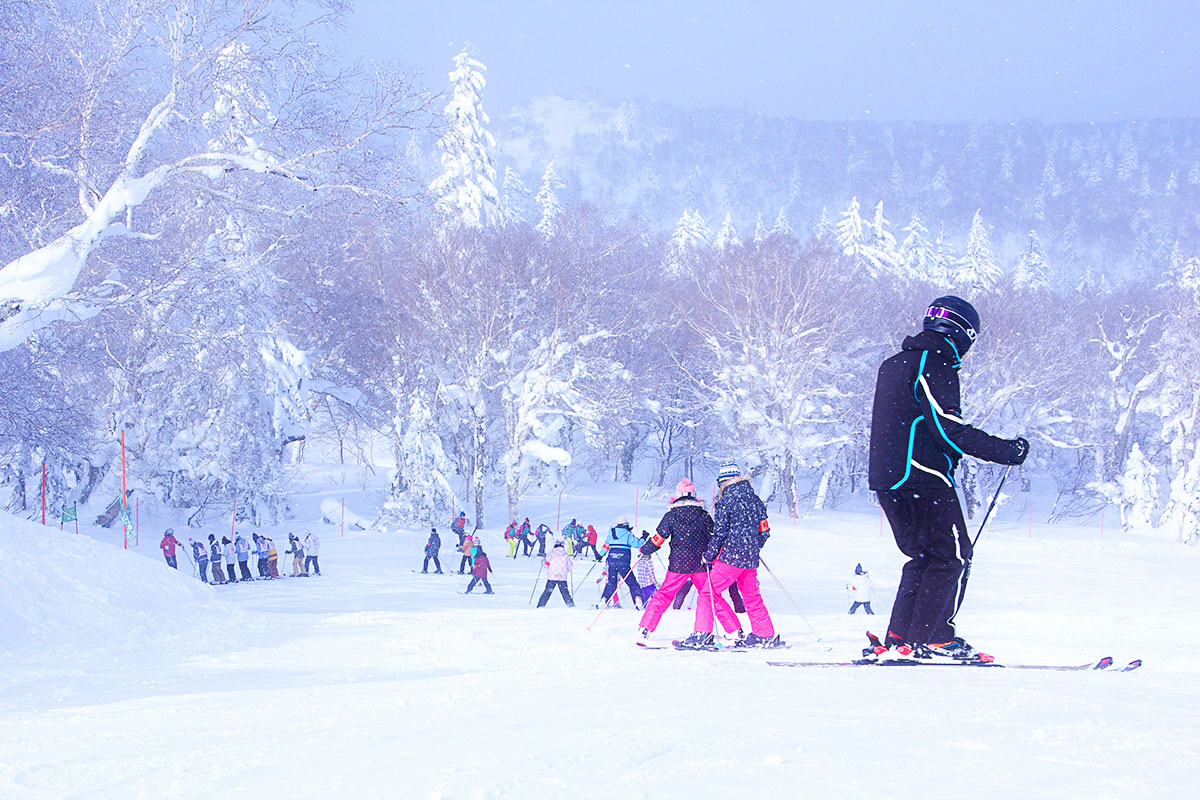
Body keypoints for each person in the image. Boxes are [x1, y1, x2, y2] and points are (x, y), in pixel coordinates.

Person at [867, 296, 1028, 662]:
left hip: (888, 480)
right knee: (951, 557)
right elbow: (945, 426)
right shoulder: (934, 363)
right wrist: (1005, 451)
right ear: (963, 334)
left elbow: (911, 423)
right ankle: (937, 638)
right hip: (923, 479)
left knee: (923, 557)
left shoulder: (894, 364)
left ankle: (902, 637)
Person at [680, 462, 781, 649]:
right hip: (750, 559)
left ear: (723, 482)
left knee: (708, 593)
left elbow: (719, 533)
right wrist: (752, 546)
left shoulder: (725, 501)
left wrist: (708, 555)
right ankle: (764, 634)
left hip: (731, 557)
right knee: (751, 596)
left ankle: (702, 634)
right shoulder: (756, 500)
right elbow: (765, 531)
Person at [635, 478, 728, 638]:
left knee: (663, 595)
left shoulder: (671, 516)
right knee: (711, 596)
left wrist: (646, 549)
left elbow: (659, 537)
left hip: (679, 564)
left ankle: (645, 628)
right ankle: (733, 630)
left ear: (676, 497)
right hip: (701, 563)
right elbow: (714, 537)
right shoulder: (703, 516)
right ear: (694, 496)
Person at [600, 517, 643, 610]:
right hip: (623, 560)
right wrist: (644, 537)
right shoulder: (628, 534)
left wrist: (600, 555)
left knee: (612, 583)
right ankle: (638, 601)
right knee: (632, 582)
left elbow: (606, 545)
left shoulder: (611, 533)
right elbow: (637, 544)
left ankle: (603, 601)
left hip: (611, 559)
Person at [536, 542, 575, 607]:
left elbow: (546, 565)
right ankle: (571, 606)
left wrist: (543, 562)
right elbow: (570, 566)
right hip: (562, 577)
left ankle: (540, 606)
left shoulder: (551, 554)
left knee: (547, 592)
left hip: (552, 577)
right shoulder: (565, 555)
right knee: (565, 593)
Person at [634, 539, 658, 607]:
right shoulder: (648, 562)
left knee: (645, 598)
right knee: (656, 596)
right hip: (649, 584)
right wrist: (655, 582)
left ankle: (641, 606)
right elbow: (651, 573)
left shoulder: (639, 561)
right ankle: (654, 607)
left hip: (642, 584)